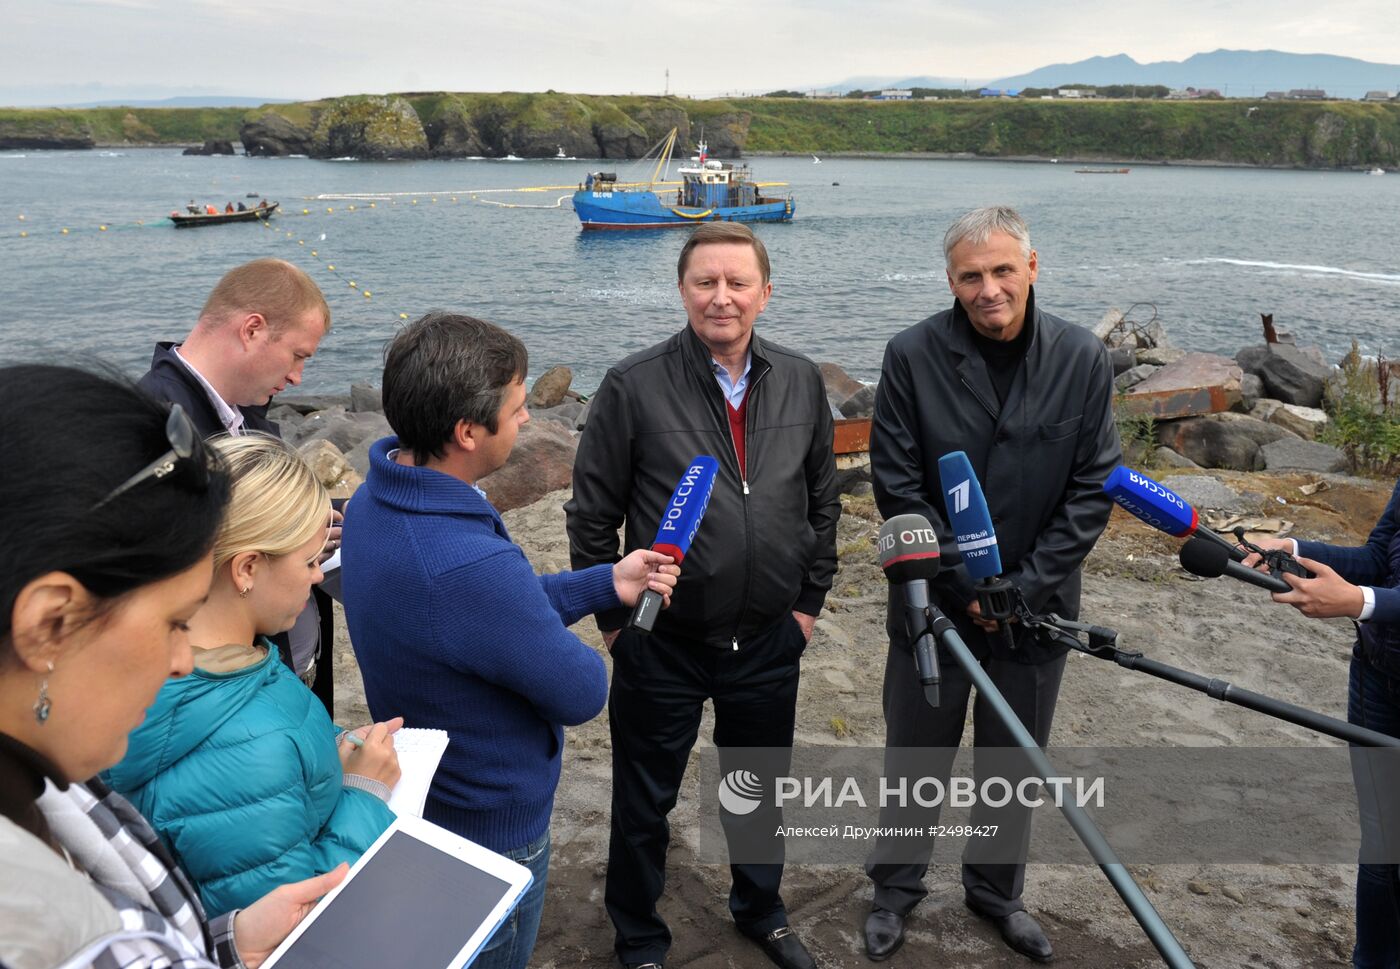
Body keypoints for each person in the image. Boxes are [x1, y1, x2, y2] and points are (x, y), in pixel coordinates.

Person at [340, 312, 679, 969]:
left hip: (432, 796)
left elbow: (490, 622)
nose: (526, 420)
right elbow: (580, 689)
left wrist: (607, 581)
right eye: (518, 407)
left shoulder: (378, 503)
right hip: (490, 827)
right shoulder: (459, 560)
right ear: (468, 431)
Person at [0, 364, 348, 969]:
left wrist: (225, 946)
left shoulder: (52, 785)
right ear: (50, 623)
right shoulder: (53, 933)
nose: (184, 661)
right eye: (173, 623)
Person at [566, 222, 841, 969]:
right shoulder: (633, 384)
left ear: (765, 292)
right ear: (683, 289)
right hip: (664, 641)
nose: (722, 297)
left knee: (756, 790)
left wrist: (806, 606)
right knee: (642, 803)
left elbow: (824, 503)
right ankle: (640, 936)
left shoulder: (800, 377)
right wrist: (620, 628)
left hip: (768, 639)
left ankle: (760, 908)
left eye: (737, 282)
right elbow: (591, 519)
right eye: (705, 282)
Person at [861, 206, 1120, 963]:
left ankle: (996, 892)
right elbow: (897, 483)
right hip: (932, 602)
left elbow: (1093, 487)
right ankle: (895, 888)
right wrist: (962, 577)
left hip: (1038, 610)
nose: (989, 289)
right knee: (916, 752)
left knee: (1014, 759)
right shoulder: (910, 354)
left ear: (1033, 268)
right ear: (951, 281)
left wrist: (1029, 583)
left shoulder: (1081, 356)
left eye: (1003, 270)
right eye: (971, 276)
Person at [103, 433, 399, 915]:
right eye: (308, 561)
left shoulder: (206, 660)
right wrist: (365, 793)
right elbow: (293, 925)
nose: (317, 576)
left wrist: (332, 742)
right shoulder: (252, 751)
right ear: (246, 569)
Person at [138, 258, 338, 715]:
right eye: (298, 355)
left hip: (282, 667)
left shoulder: (247, 410)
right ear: (252, 329)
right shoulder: (157, 429)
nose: (297, 377)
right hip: (232, 689)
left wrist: (312, 527)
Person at [1246, 486, 1400, 968]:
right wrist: (1295, 551)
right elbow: (1378, 557)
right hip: (1379, 677)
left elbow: (1370, 592)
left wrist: (1361, 602)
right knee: (1382, 840)